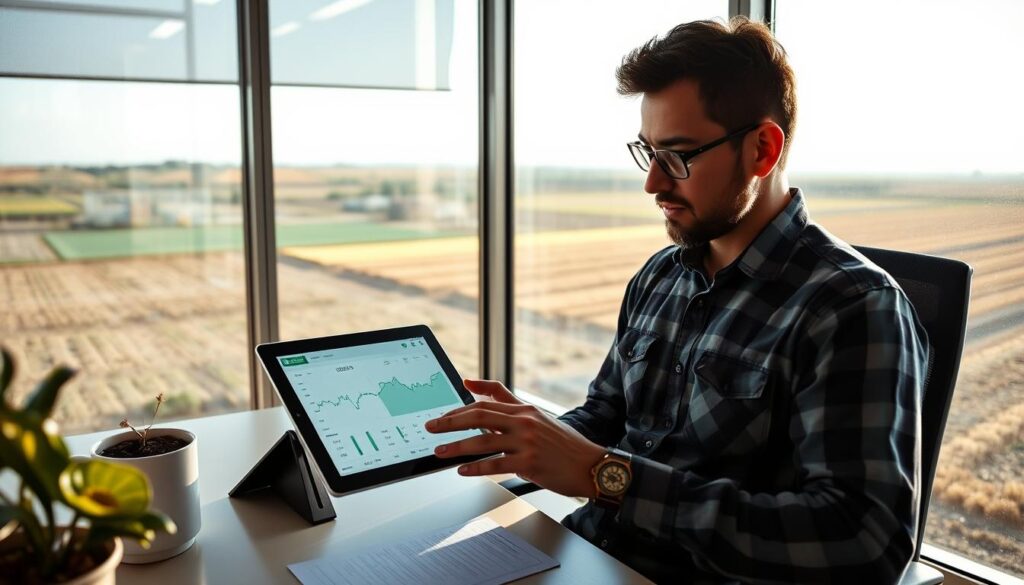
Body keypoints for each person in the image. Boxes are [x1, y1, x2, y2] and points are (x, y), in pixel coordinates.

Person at [427, 17, 928, 584]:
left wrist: (606, 476)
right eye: (649, 153)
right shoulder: (661, 276)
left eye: (679, 156)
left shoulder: (851, 307)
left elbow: (864, 544)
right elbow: (608, 415)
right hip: (585, 558)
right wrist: (523, 439)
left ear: (762, 149)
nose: (653, 184)